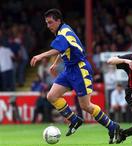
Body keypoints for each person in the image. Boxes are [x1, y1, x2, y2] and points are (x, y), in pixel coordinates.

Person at [30, 8, 121, 144]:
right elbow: (65, 49)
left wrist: (40, 55)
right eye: (47, 23)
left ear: (58, 21)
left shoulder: (64, 32)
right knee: (51, 96)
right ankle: (74, 119)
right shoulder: (62, 31)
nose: (48, 26)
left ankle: (112, 126)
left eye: (50, 23)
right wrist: (55, 63)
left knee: (86, 106)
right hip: (69, 69)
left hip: (80, 69)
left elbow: (59, 48)